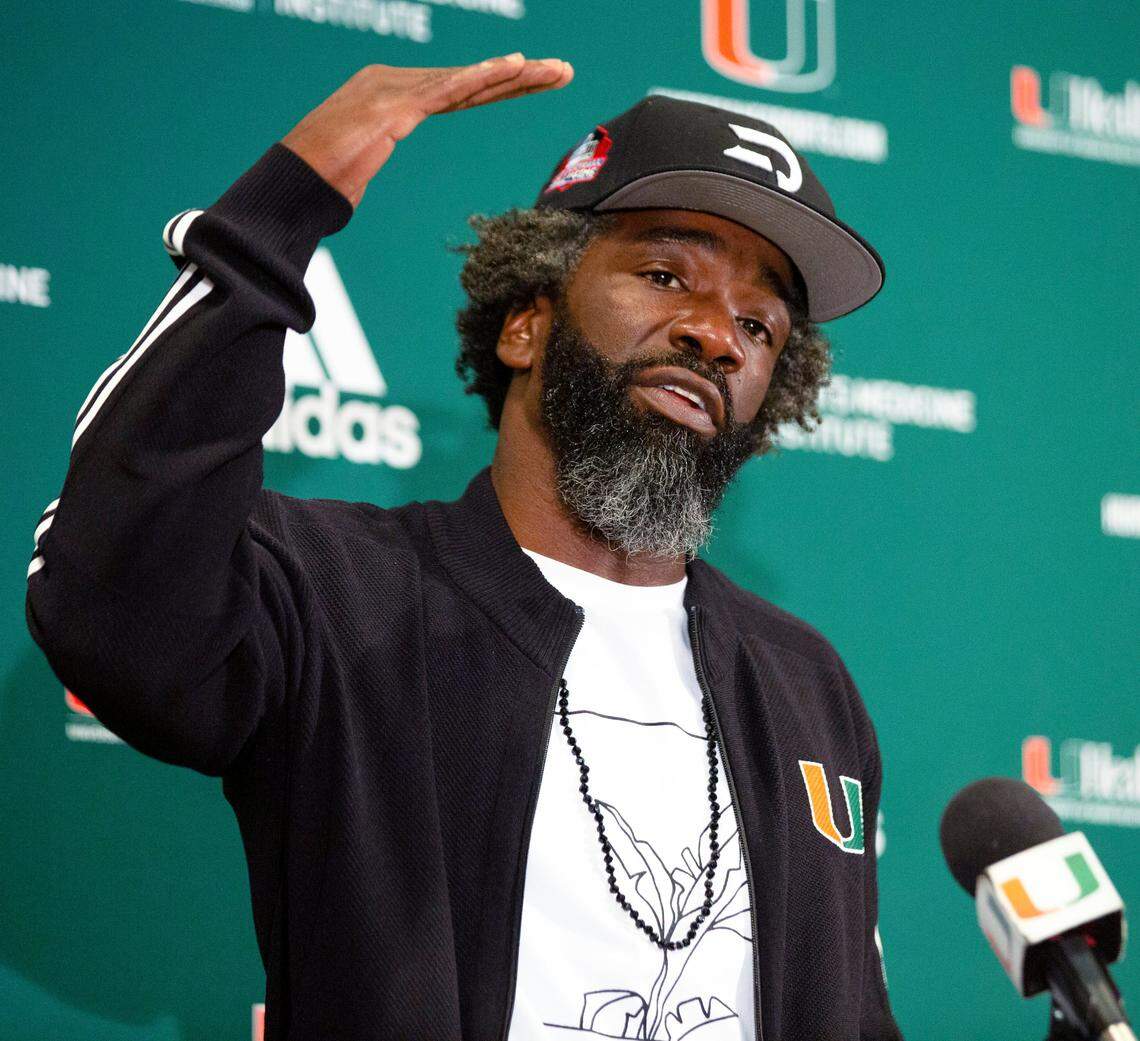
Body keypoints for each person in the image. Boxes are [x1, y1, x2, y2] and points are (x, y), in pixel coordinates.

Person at [25, 53, 902, 1041]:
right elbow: (110, 599)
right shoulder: (336, 592)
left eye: (760, 324)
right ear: (527, 323)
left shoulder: (806, 686)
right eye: (666, 275)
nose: (716, 335)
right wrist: (275, 219)